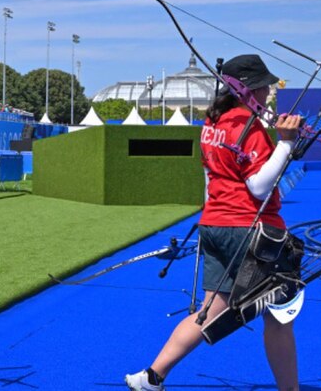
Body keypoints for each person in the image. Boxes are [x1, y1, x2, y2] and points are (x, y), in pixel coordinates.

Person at [124, 54, 303, 391]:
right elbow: (259, 186)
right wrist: (286, 143)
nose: (268, 92)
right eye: (264, 85)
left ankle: (151, 377)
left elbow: (213, 178)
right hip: (252, 230)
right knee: (279, 316)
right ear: (249, 89)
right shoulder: (248, 127)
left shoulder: (213, 123)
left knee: (210, 310)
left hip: (215, 224)